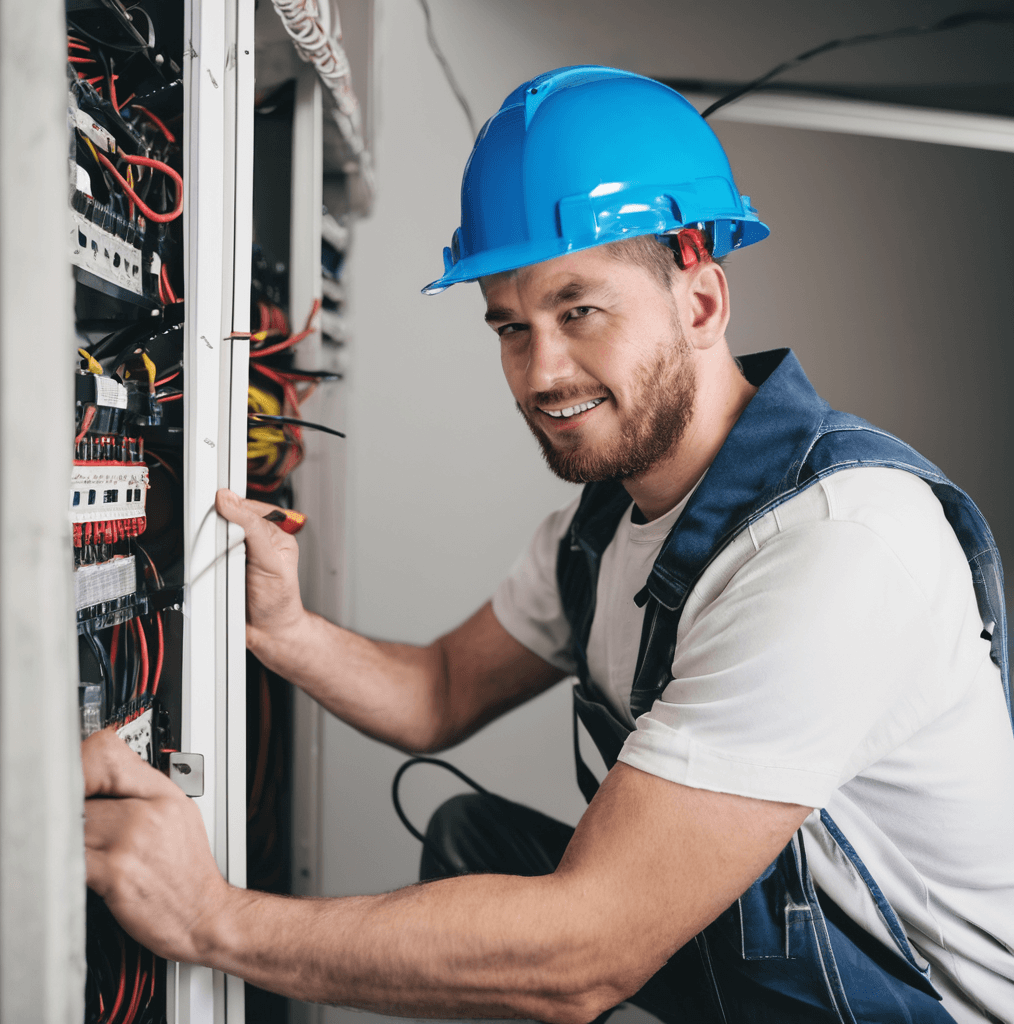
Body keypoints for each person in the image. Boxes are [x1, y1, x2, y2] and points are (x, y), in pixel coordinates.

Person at [83, 66, 1014, 1023]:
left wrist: (209, 921)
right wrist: (282, 629)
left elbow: (585, 954)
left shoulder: (837, 550)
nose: (542, 371)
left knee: (550, 931)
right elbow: (440, 692)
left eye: (580, 311)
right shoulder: (603, 528)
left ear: (700, 303)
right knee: (472, 840)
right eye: (511, 327)